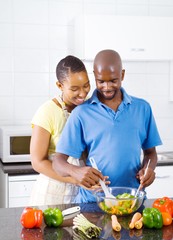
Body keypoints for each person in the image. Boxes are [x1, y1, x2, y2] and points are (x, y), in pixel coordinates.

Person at [52, 49, 162, 203]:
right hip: (93, 202)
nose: (107, 86)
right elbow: (58, 162)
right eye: (101, 81)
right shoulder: (81, 113)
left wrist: (149, 169)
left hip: (132, 201)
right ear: (94, 77)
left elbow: (151, 153)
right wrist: (75, 172)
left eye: (113, 80)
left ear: (122, 75)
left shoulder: (143, 109)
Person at [29, 55, 92, 206]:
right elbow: (37, 162)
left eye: (86, 85)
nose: (83, 94)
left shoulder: (90, 108)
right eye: (74, 89)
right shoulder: (47, 112)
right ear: (60, 85)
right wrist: (73, 179)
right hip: (52, 194)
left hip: (84, 193)